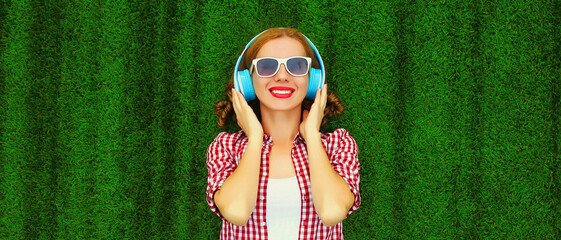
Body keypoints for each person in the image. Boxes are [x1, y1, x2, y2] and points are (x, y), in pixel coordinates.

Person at [206, 27, 360, 240]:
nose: (282, 76)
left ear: (313, 79)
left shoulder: (338, 144)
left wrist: (313, 137)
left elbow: (332, 211)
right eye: (267, 66)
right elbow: (236, 211)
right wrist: (255, 138)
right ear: (247, 81)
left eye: (296, 66)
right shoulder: (226, 147)